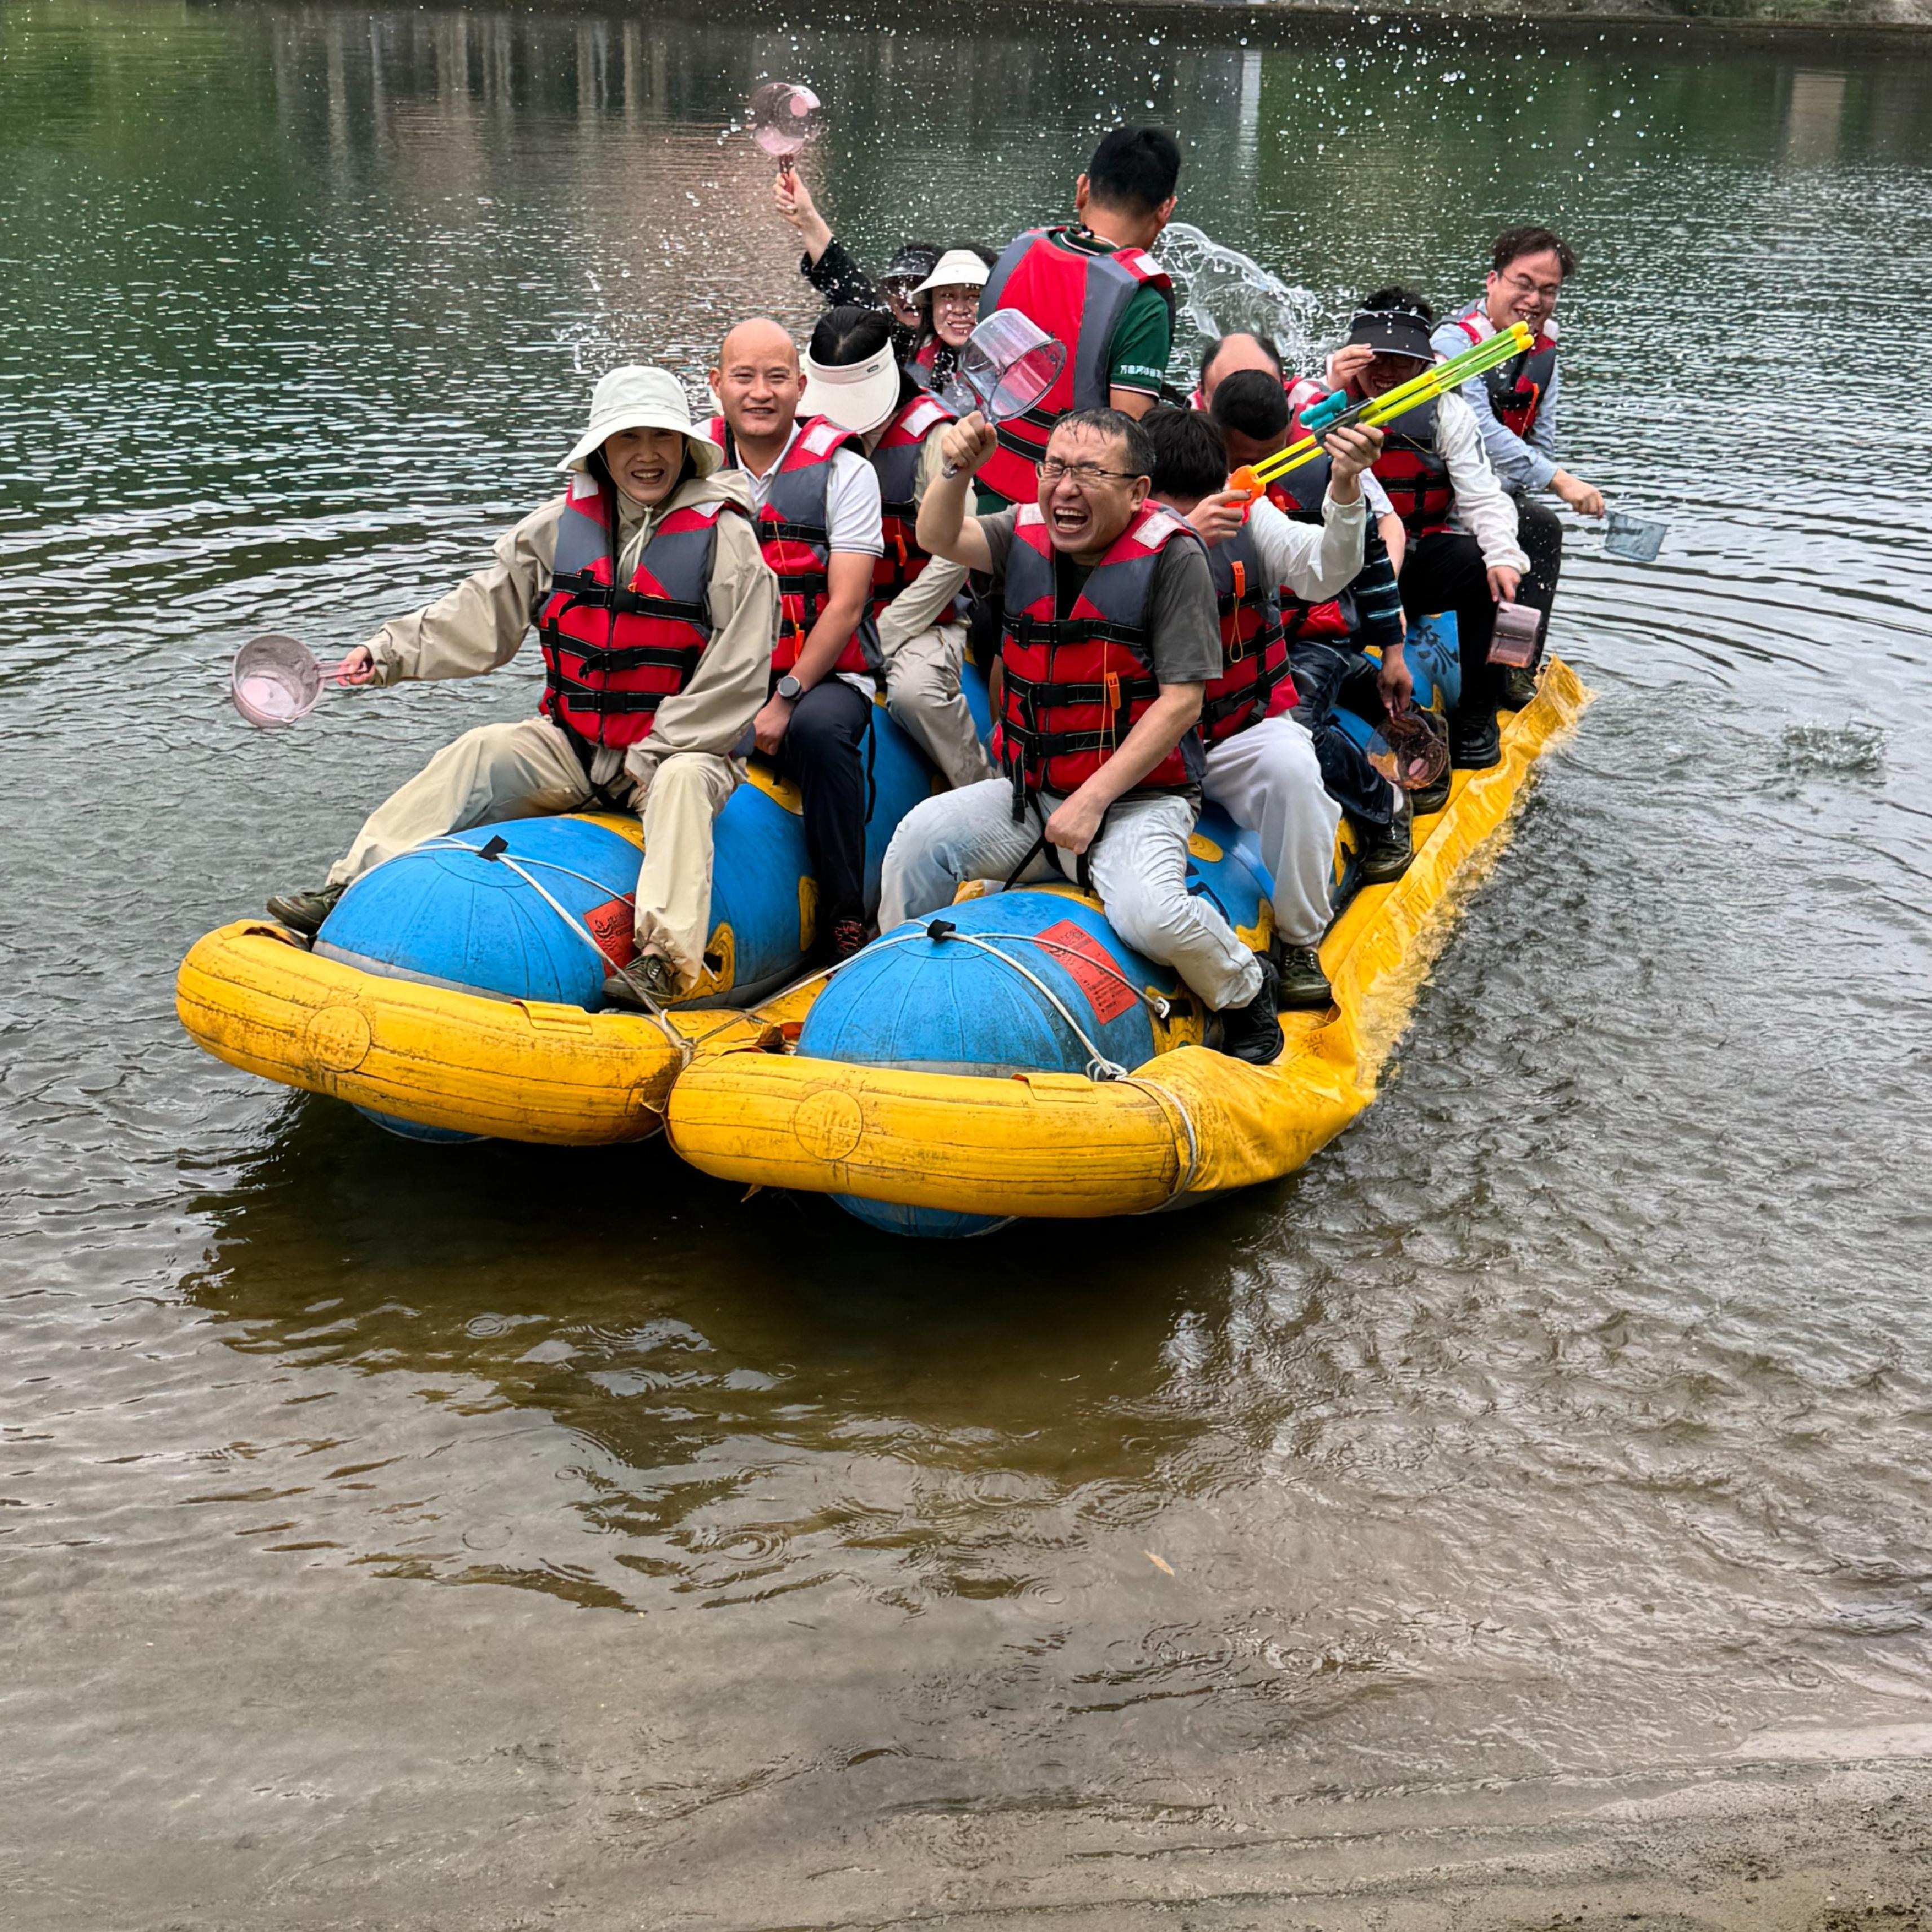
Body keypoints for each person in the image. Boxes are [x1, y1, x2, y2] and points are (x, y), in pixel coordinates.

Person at [265, 367, 777, 1010]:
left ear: (684, 449)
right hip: (574, 743)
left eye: (661, 438)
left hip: (680, 752)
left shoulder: (726, 541)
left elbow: (740, 669)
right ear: (601, 451)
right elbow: (481, 613)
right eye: (628, 439)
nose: (646, 455)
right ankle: (354, 886)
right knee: (481, 748)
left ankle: (665, 963)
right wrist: (386, 653)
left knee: (679, 786)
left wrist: (661, 749)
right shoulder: (556, 528)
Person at [881, 406, 1285, 1066]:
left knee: (1150, 915)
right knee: (918, 841)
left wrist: (1093, 800)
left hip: (1137, 801)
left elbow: (1182, 702)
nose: (1064, 488)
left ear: (1137, 492)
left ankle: (1246, 987)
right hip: (1033, 796)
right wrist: (956, 469)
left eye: (1089, 472)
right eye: (1055, 468)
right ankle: (896, 978)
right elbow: (939, 536)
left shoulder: (1173, 557)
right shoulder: (1024, 531)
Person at [1139, 406, 1387, 1010]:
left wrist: (1345, 488)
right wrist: (1179, 539)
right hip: (1138, 747)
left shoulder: (1248, 512)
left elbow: (1325, 569)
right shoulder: (1108, 526)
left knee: (1295, 768)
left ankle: (1301, 939)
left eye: (1204, 495)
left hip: (1231, 733)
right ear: (1140, 491)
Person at [706, 317, 883, 965]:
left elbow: (846, 603)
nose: (761, 392)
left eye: (777, 378)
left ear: (801, 387)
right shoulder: (691, 463)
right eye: (745, 378)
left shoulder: (843, 472)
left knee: (816, 732)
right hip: (723, 667)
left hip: (825, 673)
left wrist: (784, 698)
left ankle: (843, 916)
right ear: (716, 385)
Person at [1297, 290, 1529, 772]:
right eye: (1374, 358)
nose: (1386, 372)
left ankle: (1480, 713)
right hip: (1335, 562)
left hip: (1414, 559)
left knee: (1491, 560)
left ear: (1423, 363)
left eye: (1402, 361)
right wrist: (1331, 394)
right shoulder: (1313, 402)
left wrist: (1503, 556)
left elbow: (1483, 496)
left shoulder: (1447, 412)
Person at [1206, 372, 1425, 857]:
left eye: (1268, 455)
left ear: (1288, 430)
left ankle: (1383, 807)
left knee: (1298, 724)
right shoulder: (1195, 474)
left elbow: (1370, 562)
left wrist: (1393, 652)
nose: (1256, 472)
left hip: (1311, 635)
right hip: (1238, 639)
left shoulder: (1326, 472)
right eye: (1242, 460)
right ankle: (1357, 679)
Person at [799, 305, 992, 790]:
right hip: (824, 612)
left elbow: (955, 553)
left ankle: (981, 789)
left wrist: (887, 632)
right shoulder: (798, 430)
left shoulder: (936, 438)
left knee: (915, 694)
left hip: (916, 615)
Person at [1433, 225, 1604, 708]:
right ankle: (1481, 673)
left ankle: (1515, 667)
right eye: (1523, 284)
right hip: (1442, 492)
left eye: (1548, 291)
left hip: (1492, 492)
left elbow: (1540, 440)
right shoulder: (1453, 345)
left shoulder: (1544, 352)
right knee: (1530, 524)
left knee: (1539, 528)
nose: (1534, 300)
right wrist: (1559, 480)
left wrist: (1527, 484)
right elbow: (1478, 428)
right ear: (1493, 281)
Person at [972, 126, 1182, 506]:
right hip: (1065, 517)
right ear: (1166, 209)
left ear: (1083, 188)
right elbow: (1127, 444)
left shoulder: (1018, 254)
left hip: (983, 491)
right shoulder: (1143, 303)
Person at [771, 168, 939, 357]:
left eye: (920, 286)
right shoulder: (876, 328)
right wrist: (807, 218)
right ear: (887, 296)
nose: (909, 295)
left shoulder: (962, 339)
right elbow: (840, 276)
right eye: (898, 285)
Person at [907, 246, 996, 391]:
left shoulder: (1018, 363)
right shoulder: (916, 363)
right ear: (932, 305)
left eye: (974, 296)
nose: (960, 310)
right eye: (947, 296)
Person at [1193, 330, 1283, 412]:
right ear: (1202, 393)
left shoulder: (1296, 401)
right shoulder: (1185, 425)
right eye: (1228, 399)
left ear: (1283, 384)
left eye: (1263, 395)